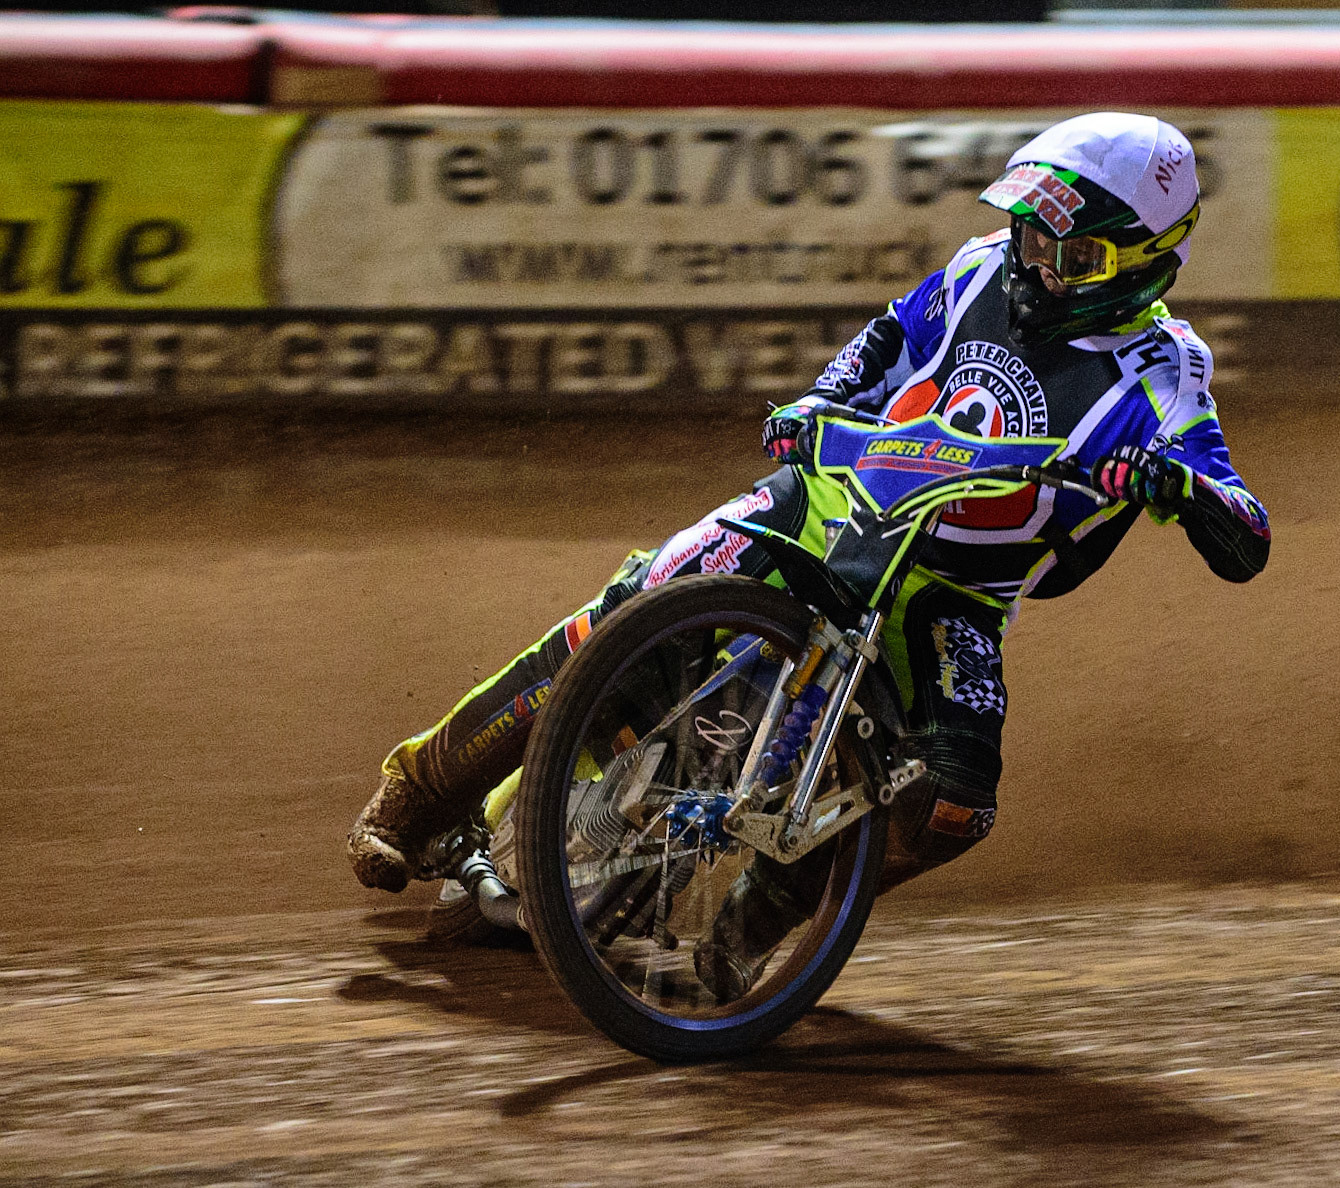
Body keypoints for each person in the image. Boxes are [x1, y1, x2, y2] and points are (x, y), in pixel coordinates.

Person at [348, 112, 1271, 997]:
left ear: (1149, 264)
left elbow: (1247, 535)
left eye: (1071, 257)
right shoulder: (983, 267)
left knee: (954, 801)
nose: (1036, 266)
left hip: (952, 596)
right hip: (833, 500)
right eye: (1032, 237)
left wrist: (1177, 486)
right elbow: (885, 338)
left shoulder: (1169, 378)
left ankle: (743, 944)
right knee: (642, 603)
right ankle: (421, 793)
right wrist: (819, 401)